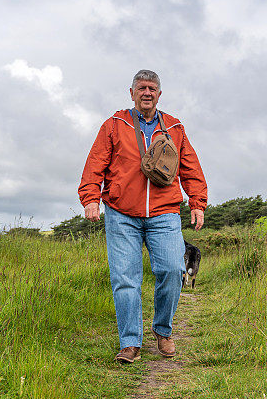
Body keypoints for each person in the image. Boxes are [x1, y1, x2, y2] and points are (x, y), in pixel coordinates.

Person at [78, 70, 208, 363]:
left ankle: (162, 330)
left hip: (165, 212)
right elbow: (96, 162)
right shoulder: (114, 124)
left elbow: (190, 166)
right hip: (121, 212)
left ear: (159, 94)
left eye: (152, 88)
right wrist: (90, 198)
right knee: (125, 278)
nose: (146, 92)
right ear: (132, 92)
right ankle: (130, 343)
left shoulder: (174, 127)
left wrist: (197, 202)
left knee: (173, 271)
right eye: (141, 88)